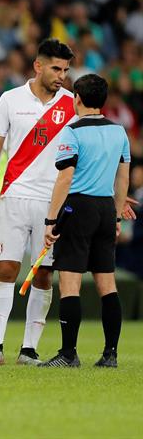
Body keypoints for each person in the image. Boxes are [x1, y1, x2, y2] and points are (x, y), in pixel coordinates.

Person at [0, 38, 76, 365]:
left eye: (66, 70)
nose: (61, 75)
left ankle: (29, 349)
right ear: (38, 66)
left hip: (53, 201)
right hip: (14, 197)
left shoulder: (72, 103)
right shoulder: (11, 100)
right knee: (7, 268)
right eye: (56, 68)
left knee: (43, 273)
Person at [40, 74, 130, 368]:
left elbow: (65, 178)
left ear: (77, 97)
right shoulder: (119, 132)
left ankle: (68, 354)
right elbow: (123, 177)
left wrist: (50, 220)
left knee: (69, 282)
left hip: (78, 207)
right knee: (108, 283)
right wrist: (116, 215)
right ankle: (110, 354)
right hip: (106, 208)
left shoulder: (73, 131)